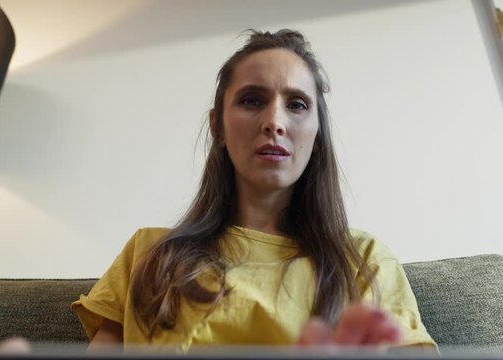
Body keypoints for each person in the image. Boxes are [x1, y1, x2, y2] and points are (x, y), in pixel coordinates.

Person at [71, 29, 435, 352]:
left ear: (318, 134)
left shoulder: (363, 260)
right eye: (252, 100)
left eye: (296, 104)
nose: (274, 122)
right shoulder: (147, 253)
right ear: (218, 127)